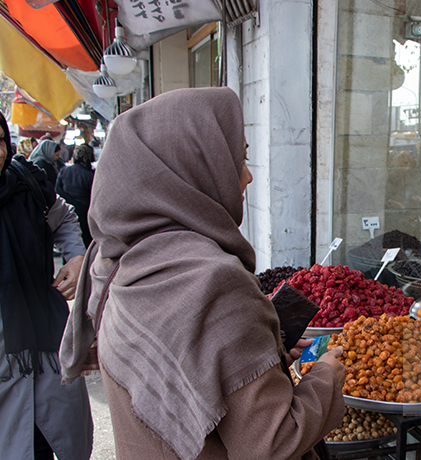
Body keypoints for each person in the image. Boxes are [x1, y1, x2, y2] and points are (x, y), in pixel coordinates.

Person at [60, 87, 345, 460]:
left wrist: (265, 361)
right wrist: (326, 378)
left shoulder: (120, 266)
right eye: (237, 160)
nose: (247, 178)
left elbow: (183, 380)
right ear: (196, 166)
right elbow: (273, 444)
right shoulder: (213, 283)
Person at [0, 113, 92, 459]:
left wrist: (76, 257)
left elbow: (65, 216)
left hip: (43, 339)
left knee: (50, 440)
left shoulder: (26, 186)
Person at [56, 144, 95, 248]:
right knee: (85, 242)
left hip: (67, 211)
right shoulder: (90, 175)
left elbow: (57, 190)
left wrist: (69, 202)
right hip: (85, 213)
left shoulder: (64, 171)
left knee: (70, 241)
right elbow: (94, 195)